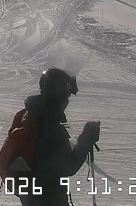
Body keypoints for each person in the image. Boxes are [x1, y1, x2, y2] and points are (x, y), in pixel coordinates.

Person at [17, 68, 100, 206]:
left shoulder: (34, 117)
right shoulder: (50, 127)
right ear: (58, 98)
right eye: (66, 97)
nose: (67, 102)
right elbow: (68, 166)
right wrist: (86, 140)